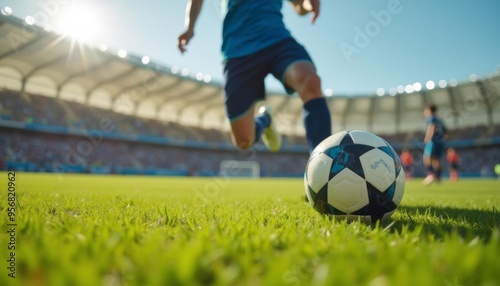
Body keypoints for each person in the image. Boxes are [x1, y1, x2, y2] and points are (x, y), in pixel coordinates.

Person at [177, 0, 331, 153]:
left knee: (310, 80)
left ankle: (325, 164)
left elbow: (299, 5)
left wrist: (307, 4)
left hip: (277, 40)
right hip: (238, 51)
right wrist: (189, 27)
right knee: (244, 140)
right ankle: (265, 120)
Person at [422, 104, 447, 185]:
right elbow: (445, 132)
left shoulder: (431, 118)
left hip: (432, 142)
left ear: (429, 110)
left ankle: (430, 175)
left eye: (425, 110)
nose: (424, 112)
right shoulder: (439, 120)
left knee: (427, 157)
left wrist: (428, 138)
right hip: (440, 142)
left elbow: (431, 127)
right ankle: (438, 178)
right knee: (437, 159)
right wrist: (441, 140)